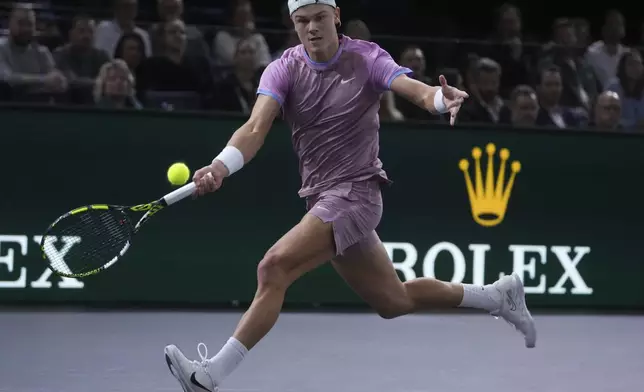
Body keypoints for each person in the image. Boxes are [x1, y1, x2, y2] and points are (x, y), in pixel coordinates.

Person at [163, 1, 537, 391]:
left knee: (273, 268)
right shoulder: (284, 68)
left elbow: (417, 91)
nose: (311, 28)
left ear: (336, 16)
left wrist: (442, 100)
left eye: (319, 18)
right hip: (322, 197)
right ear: (293, 24)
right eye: (301, 21)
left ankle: (208, 376)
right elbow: (255, 128)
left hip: (357, 192)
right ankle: (498, 296)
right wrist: (220, 166)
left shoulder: (366, 57)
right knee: (393, 301)